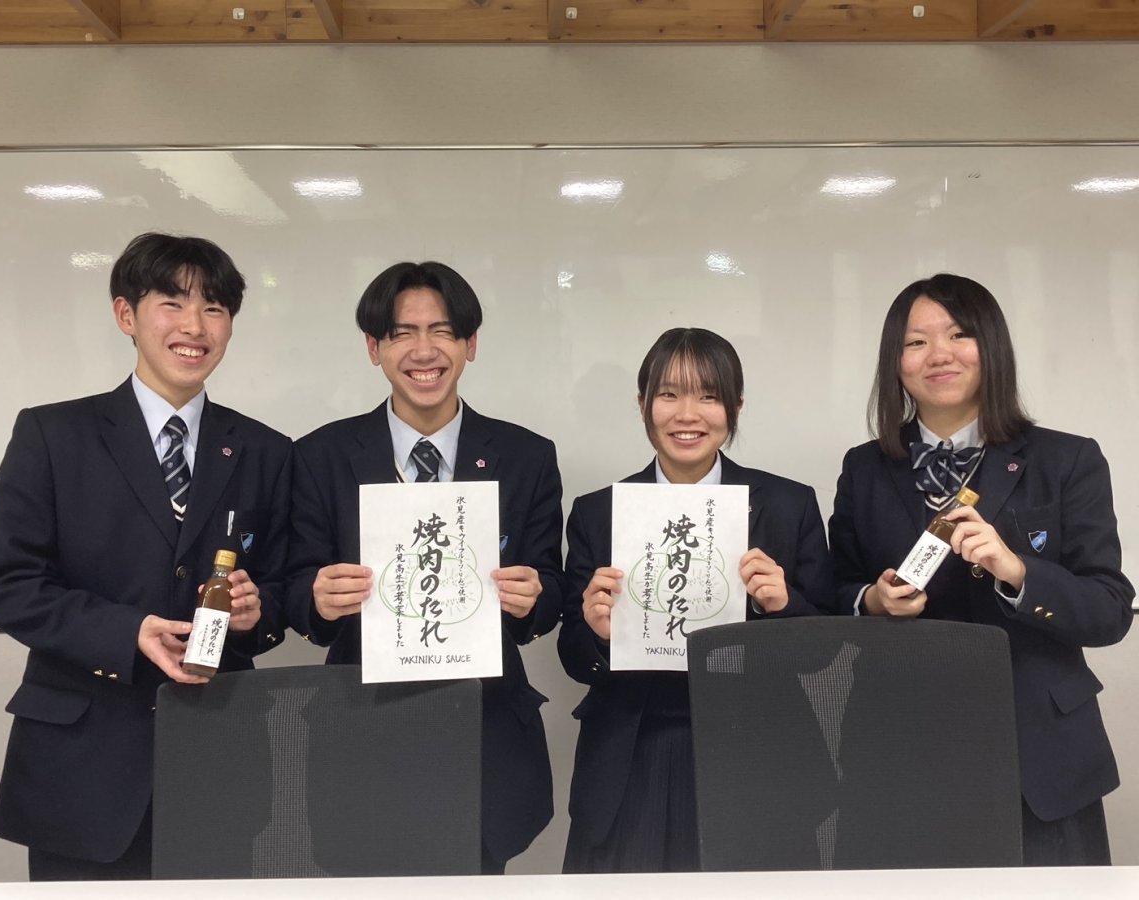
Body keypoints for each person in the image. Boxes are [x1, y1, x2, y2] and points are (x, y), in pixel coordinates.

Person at [0, 233, 292, 880]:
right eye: (172, 303)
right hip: (82, 765)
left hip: (218, 763)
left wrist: (259, 610)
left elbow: (284, 588)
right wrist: (128, 633)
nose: (194, 326)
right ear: (126, 314)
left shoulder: (266, 451)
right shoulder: (53, 435)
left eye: (214, 308)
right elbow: (11, 585)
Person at [829, 273, 1134, 865]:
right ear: (895, 362)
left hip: (1040, 755)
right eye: (916, 342)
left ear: (991, 347)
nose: (938, 354)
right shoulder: (865, 467)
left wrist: (1018, 572)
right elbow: (835, 586)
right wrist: (871, 600)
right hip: (901, 750)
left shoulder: (1066, 459)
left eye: (959, 335)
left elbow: (1109, 610)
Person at [285, 261, 564, 873]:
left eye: (442, 331)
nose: (423, 351)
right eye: (402, 333)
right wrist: (316, 598)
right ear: (373, 348)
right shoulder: (320, 455)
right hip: (361, 726)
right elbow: (295, 583)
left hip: (486, 726)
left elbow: (551, 585)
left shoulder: (527, 456)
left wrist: (535, 596)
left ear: (470, 344)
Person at [558, 326, 836, 873]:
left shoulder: (788, 504)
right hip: (633, 749)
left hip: (756, 751)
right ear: (643, 403)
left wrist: (785, 608)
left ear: (736, 406)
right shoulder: (598, 512)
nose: (688, 415)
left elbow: (823, 652)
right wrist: (598, 632)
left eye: (709, 396)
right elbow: (573, 657)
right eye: (668, 394)